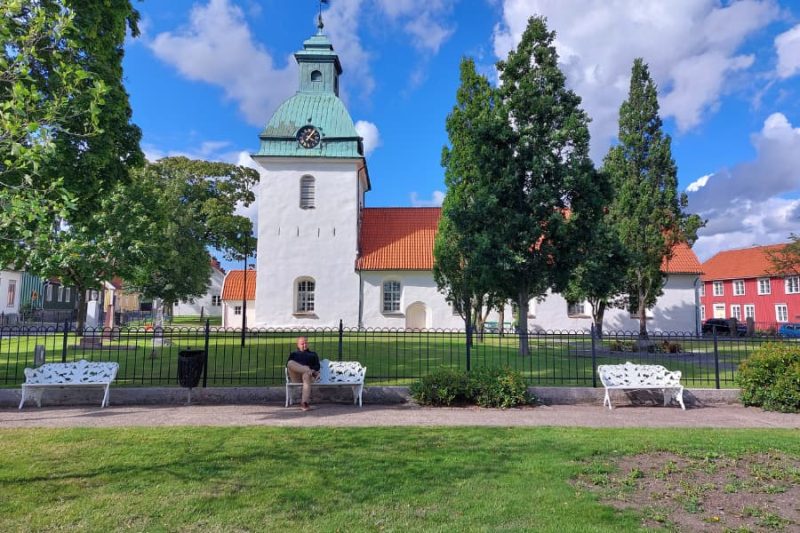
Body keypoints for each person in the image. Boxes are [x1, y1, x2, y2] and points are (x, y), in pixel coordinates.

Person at [286, 336, 320, 411]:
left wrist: (313, 370)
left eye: (306, 343)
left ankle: (304, 403)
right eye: (302, 344)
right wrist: (307, 369)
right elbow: (289, 365)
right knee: (290, 362)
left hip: (308, 377)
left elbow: (317, 366)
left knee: (306, 374)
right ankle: (307, 370)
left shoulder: (313, 354)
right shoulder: (294, 354)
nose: (304, 345)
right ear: (297, 345)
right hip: (296, 377)